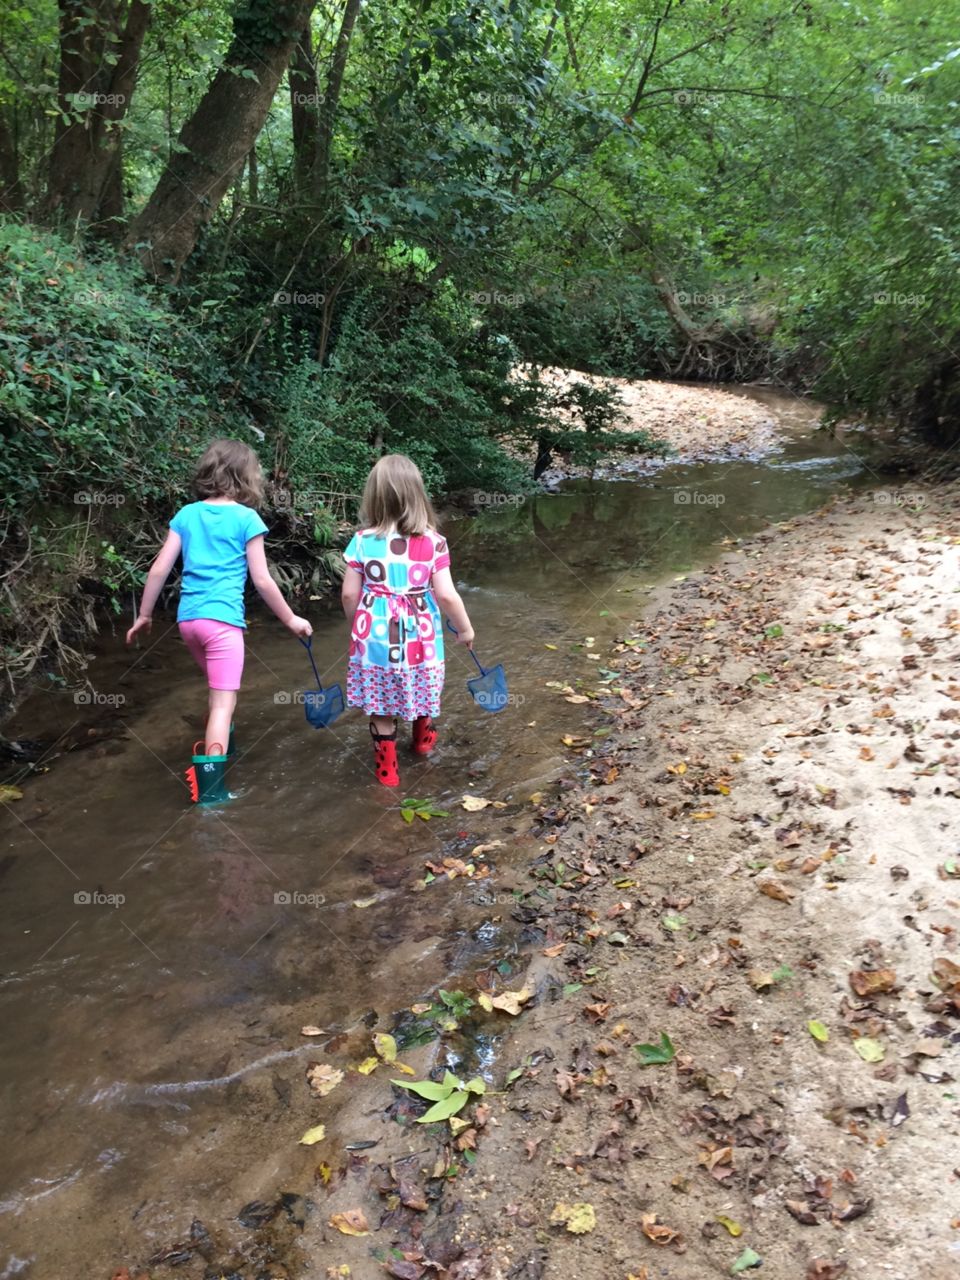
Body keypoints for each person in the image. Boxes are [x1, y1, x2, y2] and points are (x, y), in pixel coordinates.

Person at [126, 439, 312, 804]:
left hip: (189, 622)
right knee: (223, 703)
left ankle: (225, 744)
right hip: (224, 625)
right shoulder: (247, 519)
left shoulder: (186, 515)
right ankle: (211, 791)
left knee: (218, 693)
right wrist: (290, 618)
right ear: (246, 477)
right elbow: (262, 580)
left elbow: (159, 568)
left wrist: (145, 615)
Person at [341, 454, 474, 787]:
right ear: (418, 495)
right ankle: (423, 741)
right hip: (420, 636)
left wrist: (356, 627)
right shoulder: (433, 542)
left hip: (375, 636)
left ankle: (388, 773)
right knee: (419, 682)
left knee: (381, 702)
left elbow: (347, 596)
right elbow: (446, 595)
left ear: (374, 497)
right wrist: (465, 627)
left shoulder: (362, 541)